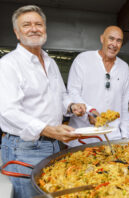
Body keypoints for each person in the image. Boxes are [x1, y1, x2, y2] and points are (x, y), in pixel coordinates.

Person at [0, 5, 86, 198]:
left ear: (45, 29)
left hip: (53, 144)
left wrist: (71, 106)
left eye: (38, 24)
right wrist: (48, 129)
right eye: (27, 25)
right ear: (16, 32)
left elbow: (61, 96)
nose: (34, 28)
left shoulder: (50, 61)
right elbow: (8, 111)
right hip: (24, 148)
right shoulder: (8, 65)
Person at [66, 26, 129, 147]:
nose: (114, 44)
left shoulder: (124, 67)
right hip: (82, 137)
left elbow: (124, 104)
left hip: (112, 138)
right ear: (102, 39)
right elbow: (73, 92)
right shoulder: (83, 59)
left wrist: (125, 137)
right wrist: (90, 112)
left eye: (119, 40)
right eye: (111, 39)